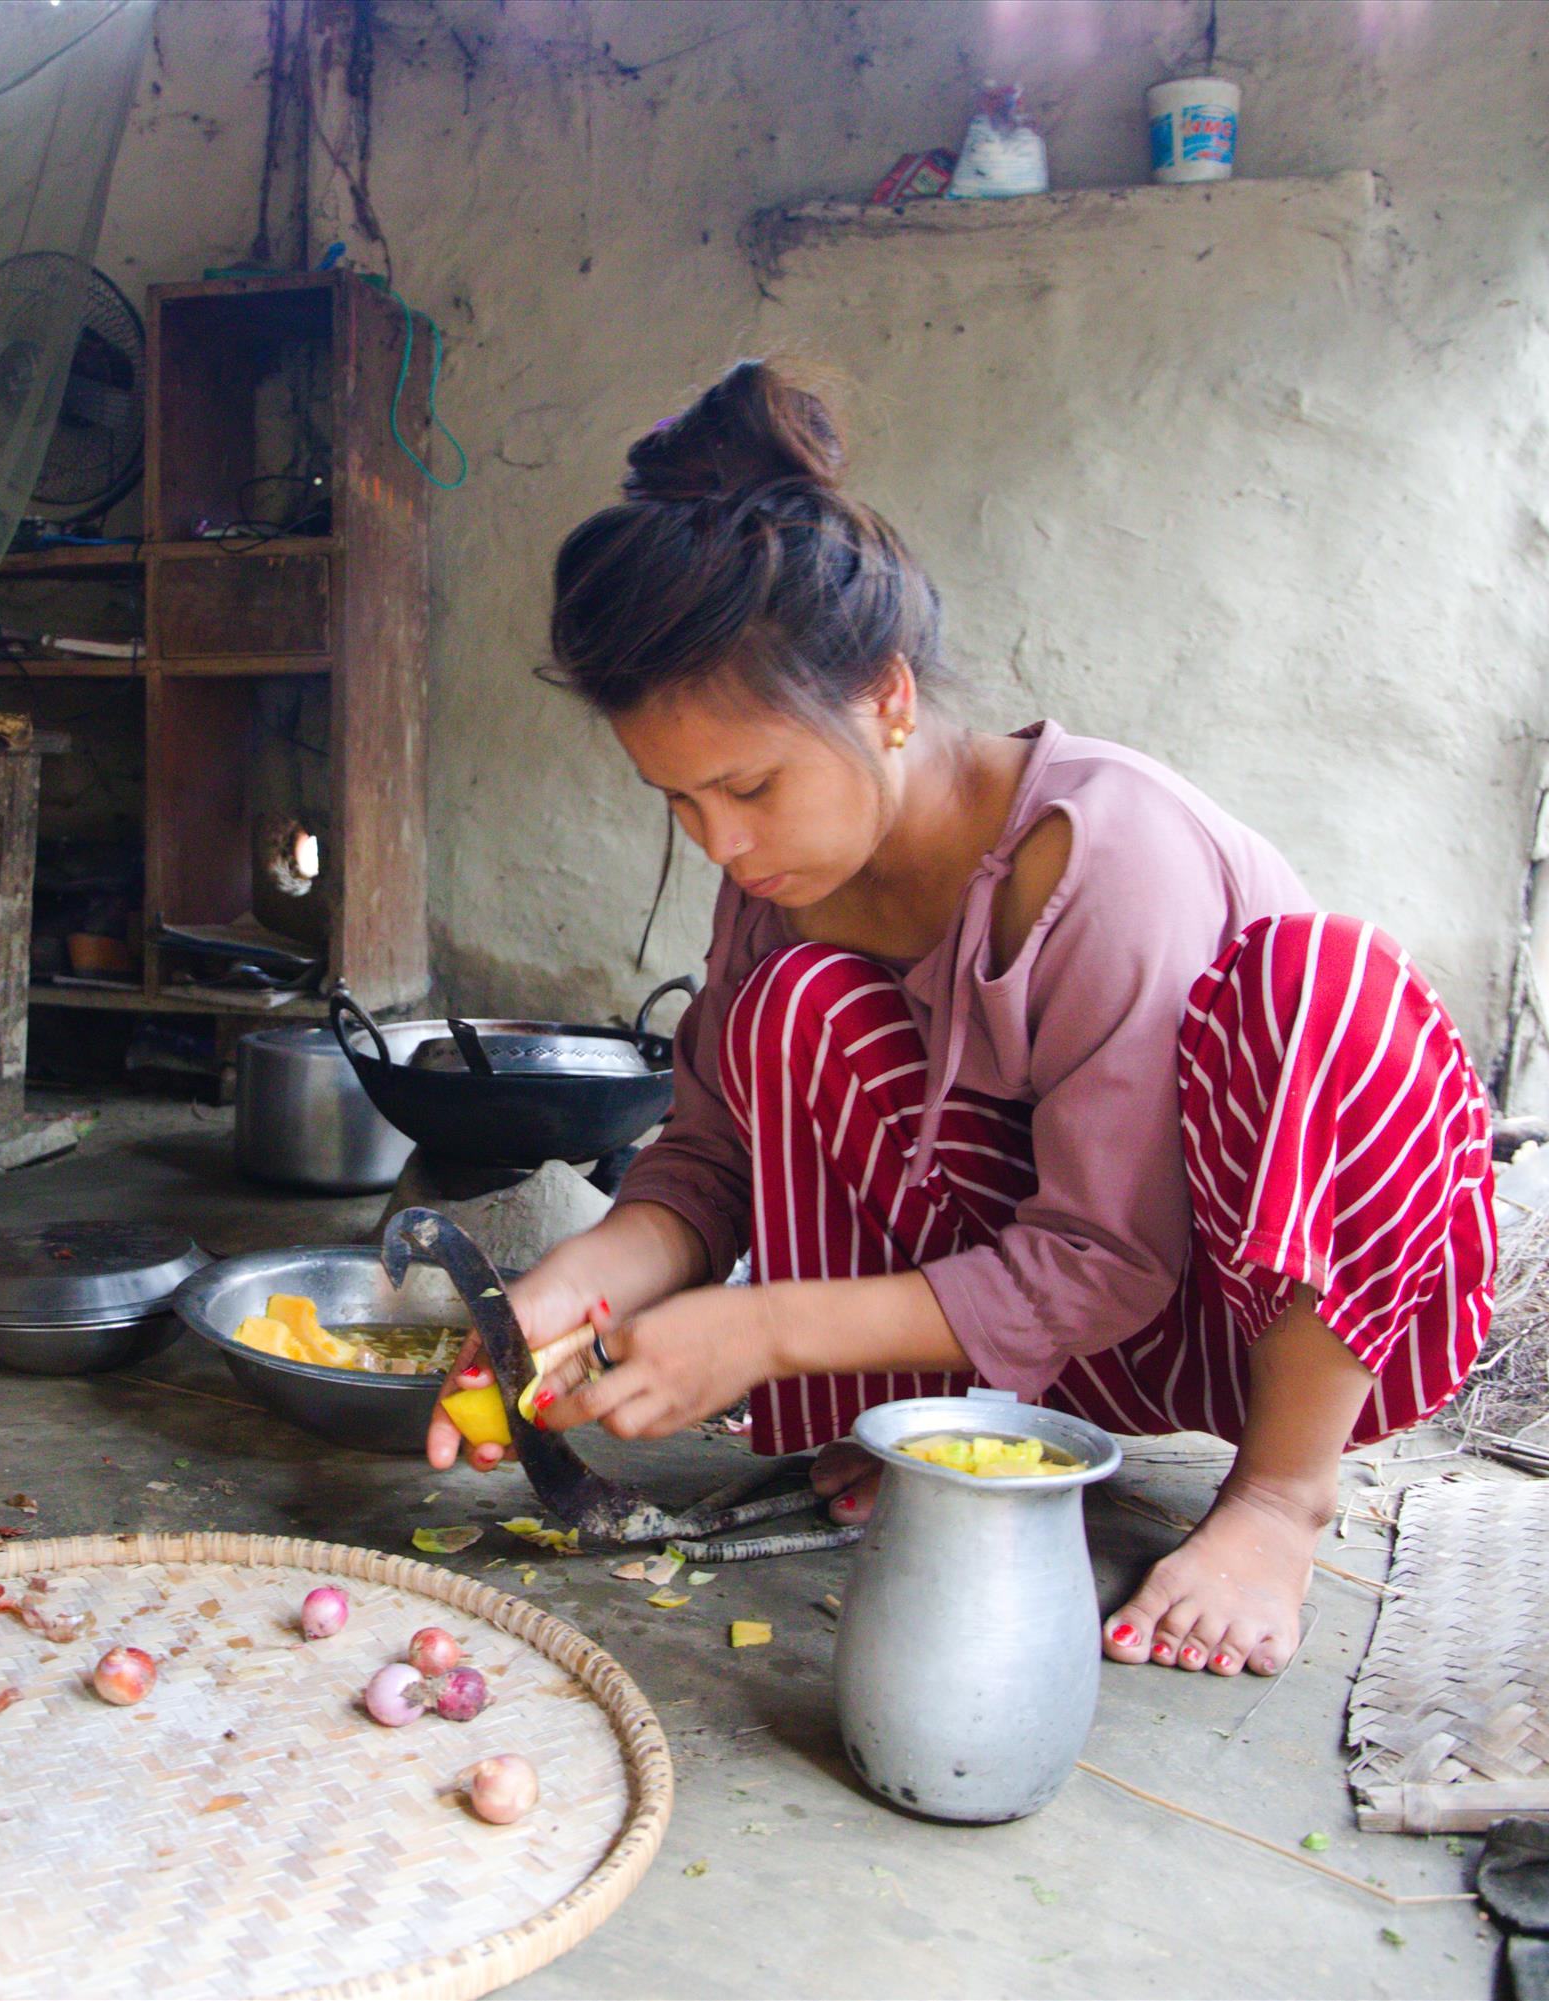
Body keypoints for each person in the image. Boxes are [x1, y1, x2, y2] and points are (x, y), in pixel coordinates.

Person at [426, 360, 1495, 1679]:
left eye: (750, 785)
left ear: (888, 698)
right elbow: (708, 1166)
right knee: (789, 1006)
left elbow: (1110, 1257)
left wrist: (758, 1329)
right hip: (1038, 1341)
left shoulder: (1105, 853)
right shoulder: (780, 888)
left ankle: (1281, 1497)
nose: (724, 841)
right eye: (679, 802)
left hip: (1242, 1316)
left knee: (1323, 983)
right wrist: (552, 1297)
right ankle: (927, 1426)